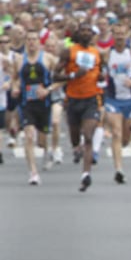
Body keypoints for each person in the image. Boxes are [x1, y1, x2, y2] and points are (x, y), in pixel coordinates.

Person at [54, 23, 106, 192]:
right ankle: (76, 149)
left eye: (88, 31)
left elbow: (101, 74)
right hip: (73, 99)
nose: (86, 33)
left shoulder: (97, 53)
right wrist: (73, 75)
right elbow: (54, 75)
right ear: (78, 33)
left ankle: (86, 174)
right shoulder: (69, 52)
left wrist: (101, 77)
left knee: (88, 136)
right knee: (75, 136)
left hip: (91, 98)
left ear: (92, 34)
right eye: (83, 30)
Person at [12, 29, 59, 184]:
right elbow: (15, 78)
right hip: (27, 104)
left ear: (39, 42)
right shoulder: (19, 60)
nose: (31, 42)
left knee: (41, 140)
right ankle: (33, 172)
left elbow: (61, 78)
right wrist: (15, 87)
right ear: (26, 42)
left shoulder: (48, 59)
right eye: (29, 39)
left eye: (34, 39)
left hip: (44, 104)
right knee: (29, 135)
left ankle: (47, 151)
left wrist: (48, 90)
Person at [104, 23, 131, 184]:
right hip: (112, 99)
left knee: (125, 138)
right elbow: (100, 71)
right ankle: (119, 169)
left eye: (122, 34)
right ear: (112, 36)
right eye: (116, 34)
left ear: (127, 35)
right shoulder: (107, 54)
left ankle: (122, 149)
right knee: (116, 133)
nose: (119, 37)